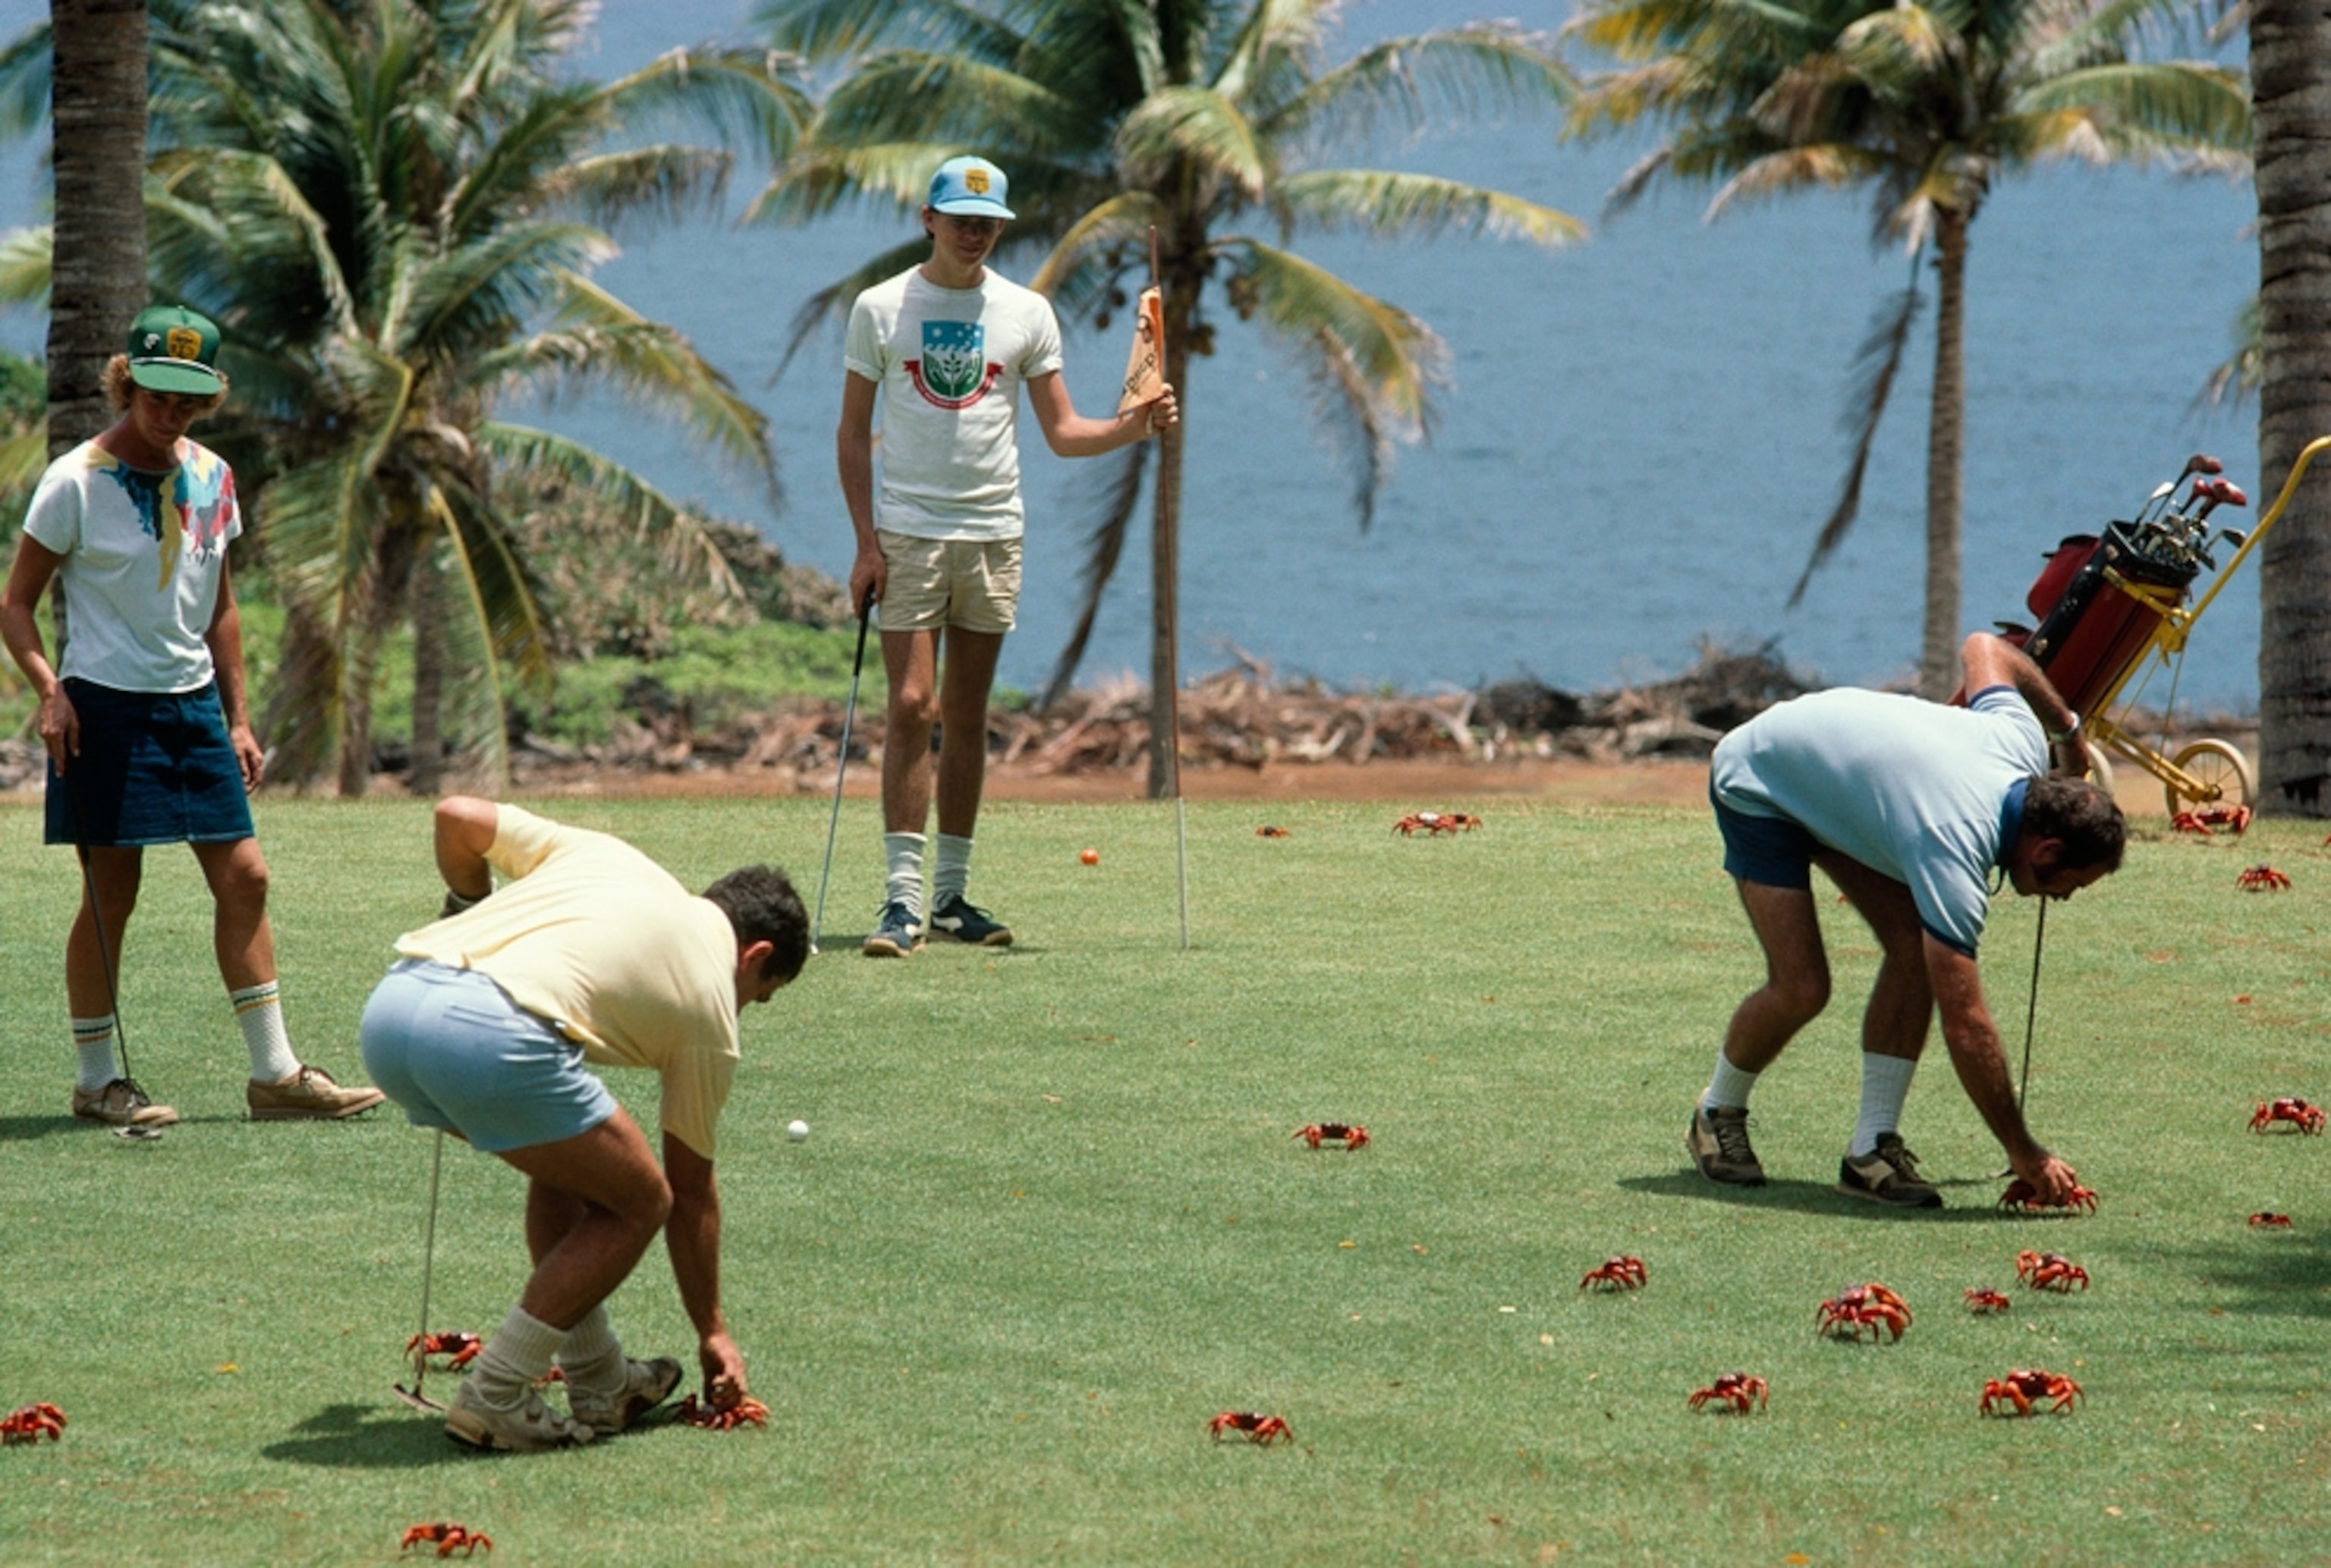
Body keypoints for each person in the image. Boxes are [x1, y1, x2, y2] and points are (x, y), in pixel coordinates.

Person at [0, 303, 385, 1130]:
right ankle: (98, 1081)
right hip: (102, 708)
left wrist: (239, 717)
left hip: (193, 708)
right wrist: (49, 691)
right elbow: (16, 604)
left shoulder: (213, 474)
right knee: (113, 891)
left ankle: (275, 1075)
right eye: (155, 394)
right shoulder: (75, 480)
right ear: (126, 380)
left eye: (186, 399)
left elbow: (223, 608)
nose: (169, 413)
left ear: (206, 399)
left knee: (246, 875)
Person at [359, 796, 808, 1451]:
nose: (748, 1009)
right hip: (485, 1037)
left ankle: (600, 1379)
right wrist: (712, 1328)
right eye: (760, 996)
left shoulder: (608, 855)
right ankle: (497, 1391)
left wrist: (465, 907)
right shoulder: (714, 1006)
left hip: (393, 1013)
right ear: (754, 954)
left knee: (577, 1172)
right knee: (640, 1199)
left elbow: (456, 814)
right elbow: (688, 1194)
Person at [840, 153, 1178, 957]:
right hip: (909, 532)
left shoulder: (1027, 311)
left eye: (989, 223)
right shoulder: (880, 308)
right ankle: (901, 902)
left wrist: (1137, 423)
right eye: (961, 220)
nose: (975, 234)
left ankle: (952, 899)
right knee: (912, 706)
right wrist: (864, 543)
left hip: (995, 533)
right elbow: (853, 437)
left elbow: (1065, 434)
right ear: (928, 219)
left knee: (966, 715)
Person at [1686, 630, 2126, 1210]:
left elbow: (1983, 649)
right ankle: (1715, 1112)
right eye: (2071, 884)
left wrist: (2069, 731)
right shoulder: (1955, 845)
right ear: (2044, 851)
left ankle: (1870, 1150)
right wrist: (2025, 1150)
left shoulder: (2021, 742)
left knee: (1910, 945)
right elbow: (1967, 1024)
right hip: (1762, 777)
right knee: (1802, 986)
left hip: (1835, 782)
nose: (2064, 898)